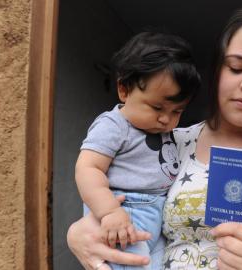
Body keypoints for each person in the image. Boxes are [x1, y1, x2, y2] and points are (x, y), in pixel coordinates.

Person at [68, 5, 242, 270]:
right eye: (237, 67)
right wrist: (78, 235)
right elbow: (115, 195)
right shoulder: (168, 143)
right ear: (216, 71)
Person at [75, 31, 201, 270]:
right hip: (125, 215)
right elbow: (87, 168)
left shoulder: (166, 132)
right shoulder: (113, 125)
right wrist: (110, 211)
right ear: (124, 90)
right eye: (157, 107)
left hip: (156, 217)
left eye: (177, 111)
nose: (166, 119)